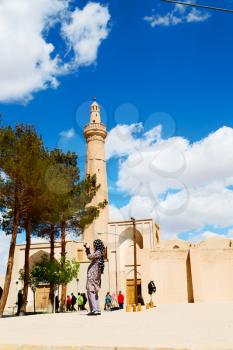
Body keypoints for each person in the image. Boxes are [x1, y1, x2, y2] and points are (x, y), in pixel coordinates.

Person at [84, 239, 105, 316]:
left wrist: (87, 249)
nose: (94, 246)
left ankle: (94, 309)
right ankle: (97, 309)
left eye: (94, 245)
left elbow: (90, 257)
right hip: (96, 276)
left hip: (92, 276)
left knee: (90, 291)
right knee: (94, 292)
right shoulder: (100, 253)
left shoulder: (98, 252)